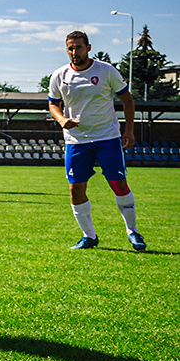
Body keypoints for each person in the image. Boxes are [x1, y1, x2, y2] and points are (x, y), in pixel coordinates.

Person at [47, 31, 146, 251]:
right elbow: (53, 103)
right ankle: (89, 236)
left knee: (118, 184)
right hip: (76, 141)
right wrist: (62, 119)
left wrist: (129, 131)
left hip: (107, 137)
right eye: (71, 48)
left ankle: (133, 231)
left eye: (79, 47)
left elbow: (127, 100)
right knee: (76, 190)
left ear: (88, 47)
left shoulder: (106, 70)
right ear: (66, 49)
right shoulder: (59, 75)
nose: (75, 52)